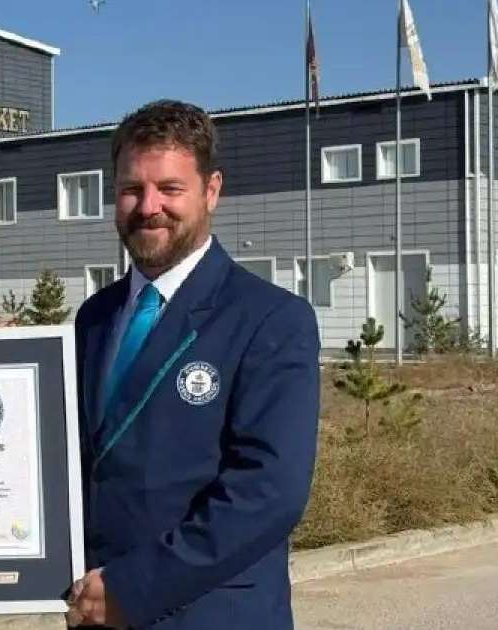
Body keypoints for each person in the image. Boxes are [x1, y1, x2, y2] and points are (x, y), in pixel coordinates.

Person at [68, 100, 321, 629]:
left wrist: (134, 588)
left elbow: (268, 491)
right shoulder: (94, 317)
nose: (148, 206)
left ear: (212, 191)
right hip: (97, 612)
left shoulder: (271, 319)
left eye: (170, 189)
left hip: (209, 612)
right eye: (132, 189)